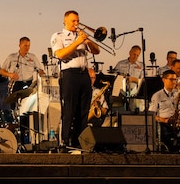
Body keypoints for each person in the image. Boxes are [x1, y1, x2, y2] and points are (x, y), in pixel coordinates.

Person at [50, 10, 100, 149]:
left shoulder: (81, 36)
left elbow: (96, 51)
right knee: (69, 109)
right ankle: (65, 141)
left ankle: (79, 141)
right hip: (69, 74)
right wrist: (77, 42)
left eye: (77, 20)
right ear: (65, 21)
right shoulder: (58, 36)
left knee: (83, 109)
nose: (76, 23)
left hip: (84, 74)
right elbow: (60, 54)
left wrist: (88, 41)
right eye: (73, 21)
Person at [148, 69, 180, 153]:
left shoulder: (178, 93)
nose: (174, 82)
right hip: (163, 125)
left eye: (175, 79)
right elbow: (151, 115)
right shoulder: (157, 95)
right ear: (164, 80)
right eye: (171, 79)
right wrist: (165, 120)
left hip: (176, 124)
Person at [112, 45, 144, 111]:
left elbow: (143, 81)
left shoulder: (141, 66)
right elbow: (114, 77)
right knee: (119, 113)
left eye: (137, 55)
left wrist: (133, 79)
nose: (135, 57)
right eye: (134, 54)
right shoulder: (120, 64)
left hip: (134, 93)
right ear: (129, 53)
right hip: (121, 93)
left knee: (135, 114)